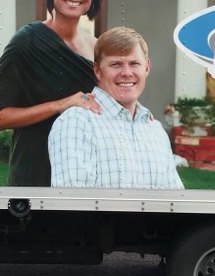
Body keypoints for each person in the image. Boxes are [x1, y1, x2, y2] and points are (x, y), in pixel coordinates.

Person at [0, 0, 104, 186]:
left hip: (84, 175)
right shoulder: (26, 42)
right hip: (34, 175)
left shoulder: (97, 48)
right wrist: (61, 104)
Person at [48, 27, 184, 189]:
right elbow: (73, 201)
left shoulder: (156, 131)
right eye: (116, 64)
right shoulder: (76, 123)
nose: (126, 73)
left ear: (146, 68)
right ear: (97, 71)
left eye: (134, 64)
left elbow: (174, 200)